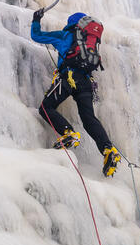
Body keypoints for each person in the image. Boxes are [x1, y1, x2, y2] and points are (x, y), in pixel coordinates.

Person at [31, 9, 121, 177]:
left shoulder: (64, 35)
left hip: (68, 78)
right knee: (89, 119)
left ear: (70, 23)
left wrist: (36, 19)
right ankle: (108, 149)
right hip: (86, 83)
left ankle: (68, 133)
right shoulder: (89, 41)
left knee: (46, 108)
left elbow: (36, 36)